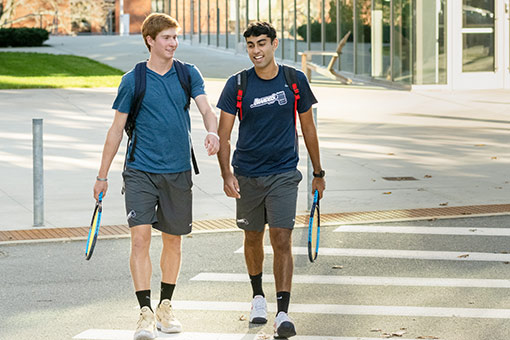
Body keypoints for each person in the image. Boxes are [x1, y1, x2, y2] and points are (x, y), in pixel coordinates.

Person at [93, 13, 220, 340]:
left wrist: (212, 131)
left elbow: (206, 108)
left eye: (175, 37)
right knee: (140, 239)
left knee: (173, 241)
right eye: (166, 38)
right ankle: (145, 312)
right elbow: (116, 130)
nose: (173, 43)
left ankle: (166, 306)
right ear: (150, 40)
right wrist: (102, 175)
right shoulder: (133, 80)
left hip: (177, 172)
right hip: (140, 171)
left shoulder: (187, 74)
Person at [216, 21, 325, 339]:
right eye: (250, 45)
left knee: (281, 239)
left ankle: (283, 312)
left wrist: (318, 173)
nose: (256, 50)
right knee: (252, 238)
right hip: (247, 175)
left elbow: (308, 130)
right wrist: (226, 174)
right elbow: (223, 137)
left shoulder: (294, 80)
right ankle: (258, 298)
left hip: (283, 174)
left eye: (262, 43)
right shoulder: (237, 84)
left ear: (275, 44)